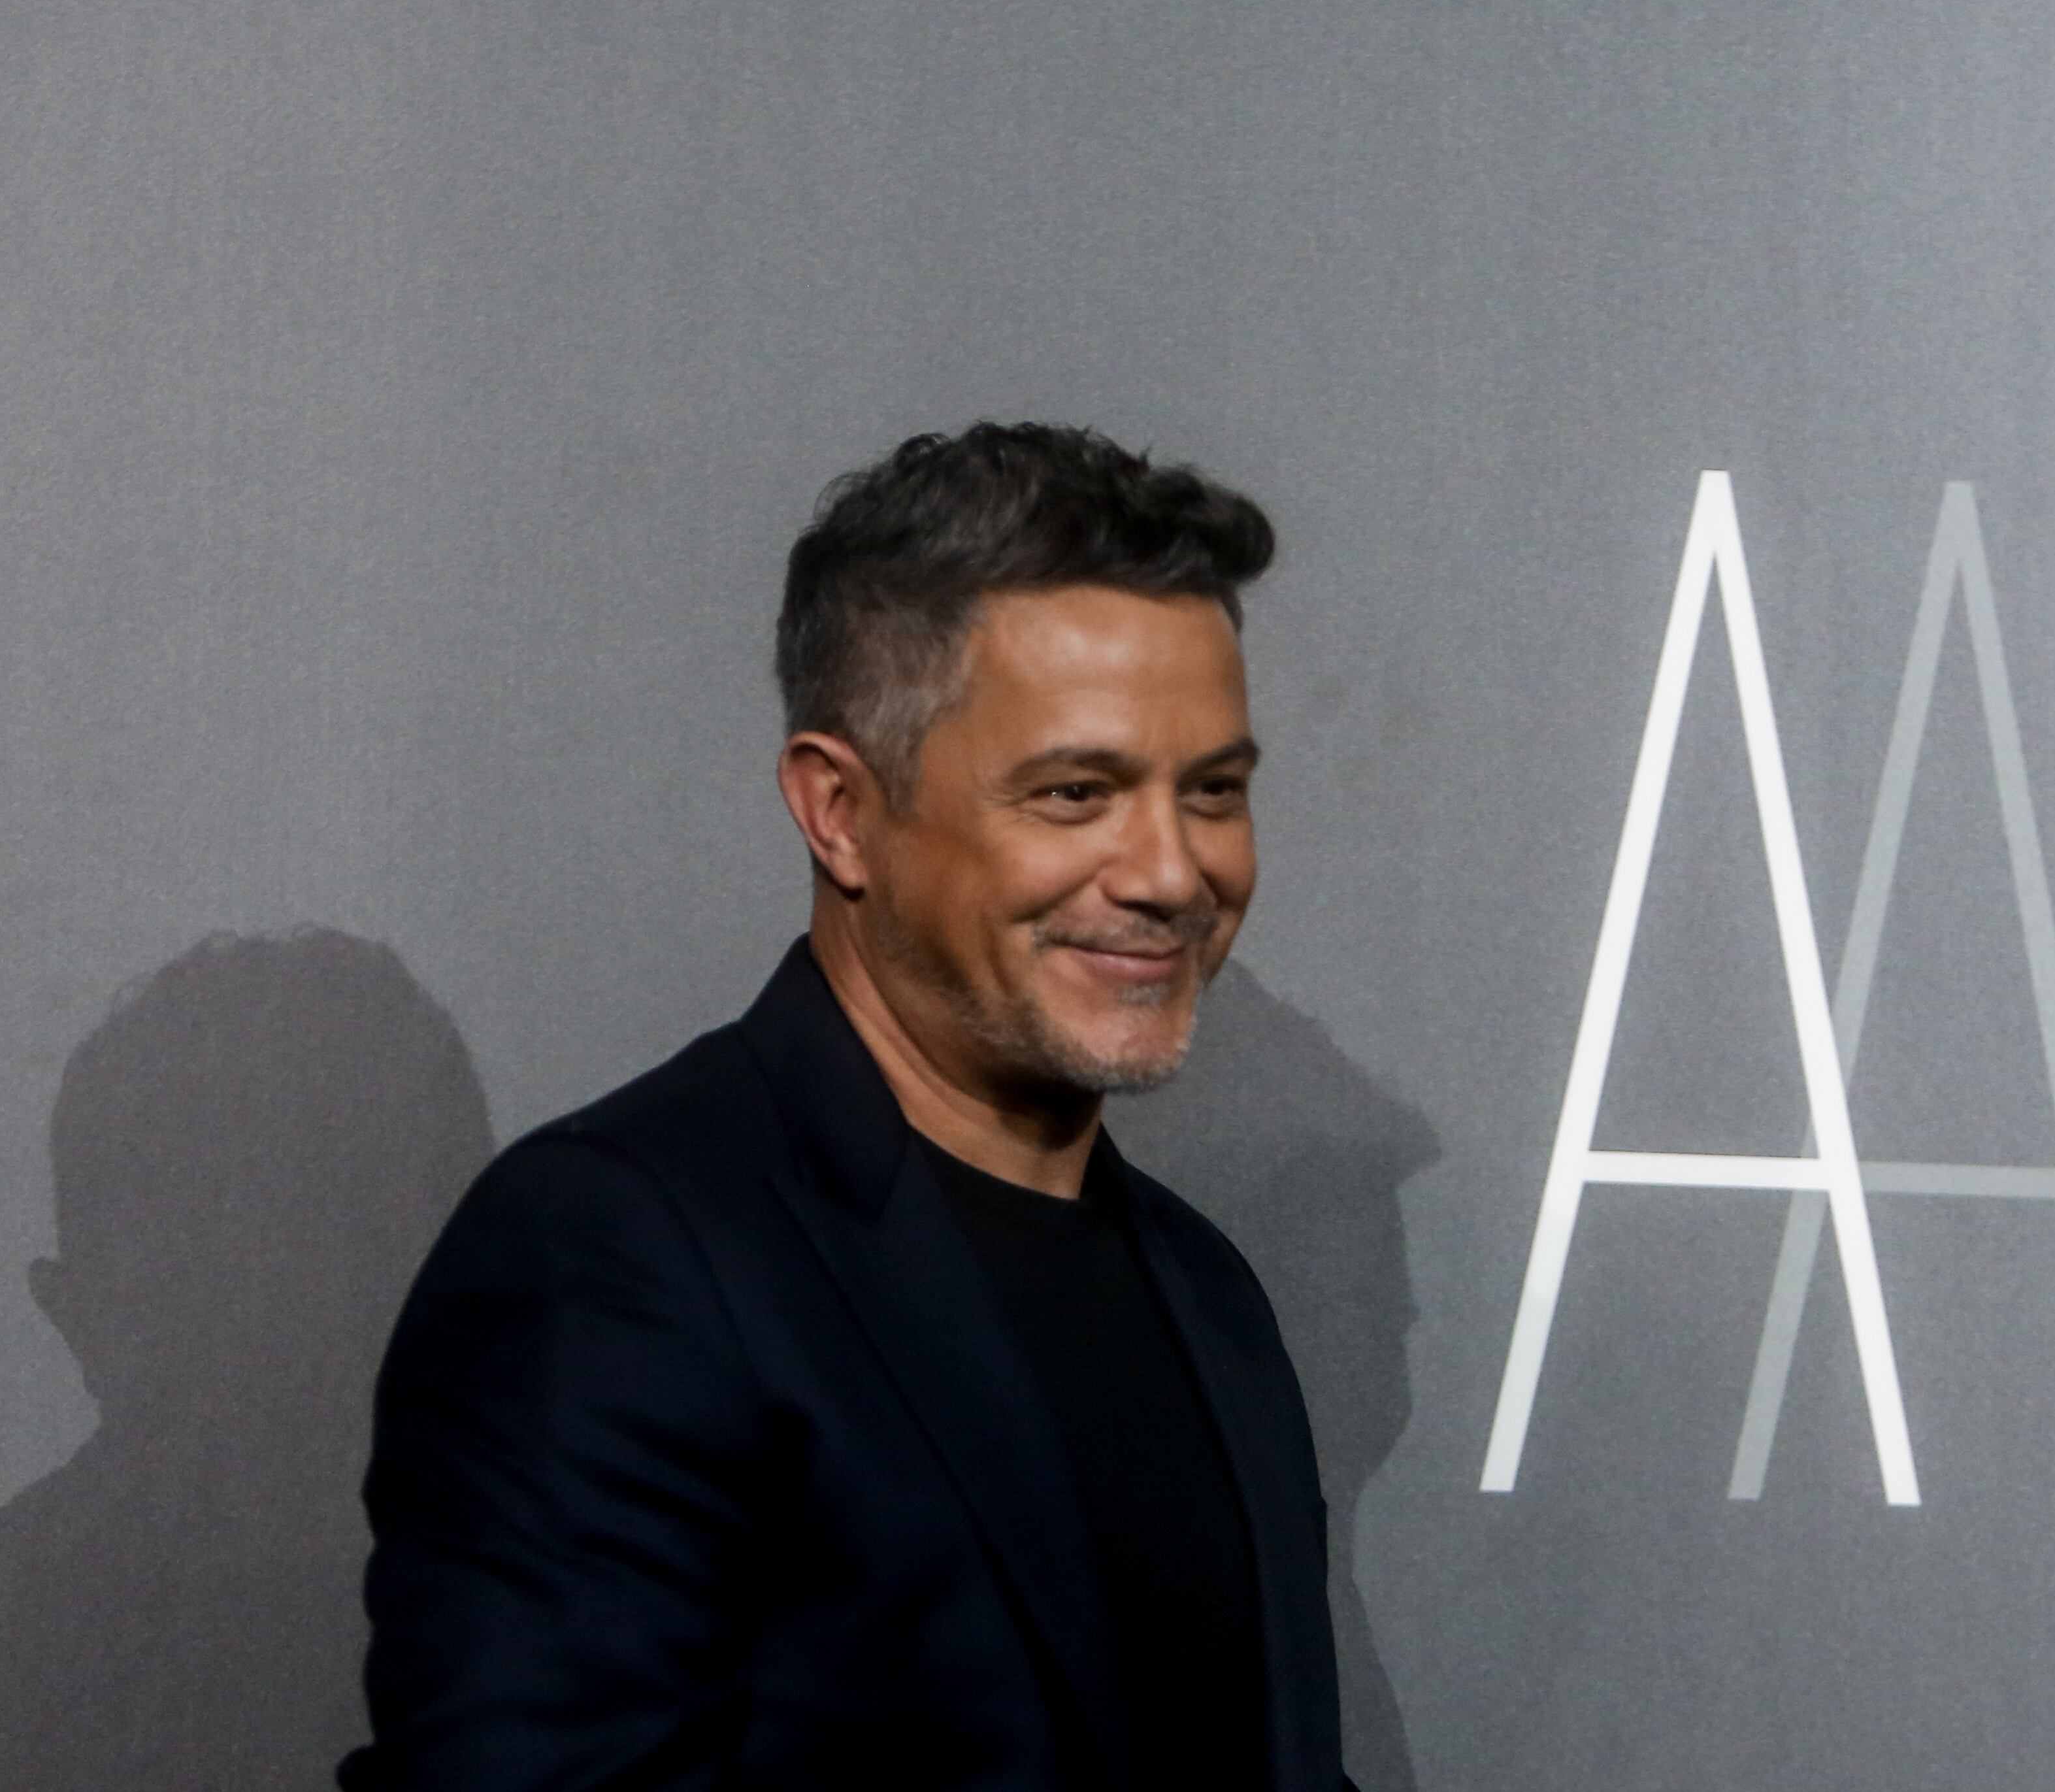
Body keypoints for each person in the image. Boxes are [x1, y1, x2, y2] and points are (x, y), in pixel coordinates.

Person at [344, 425, 1343, 1791]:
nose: (1171, 872)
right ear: (840, 811)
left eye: (1213, 791)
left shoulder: (1207, 1291)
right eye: (1076, 793)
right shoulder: (618, 1254)